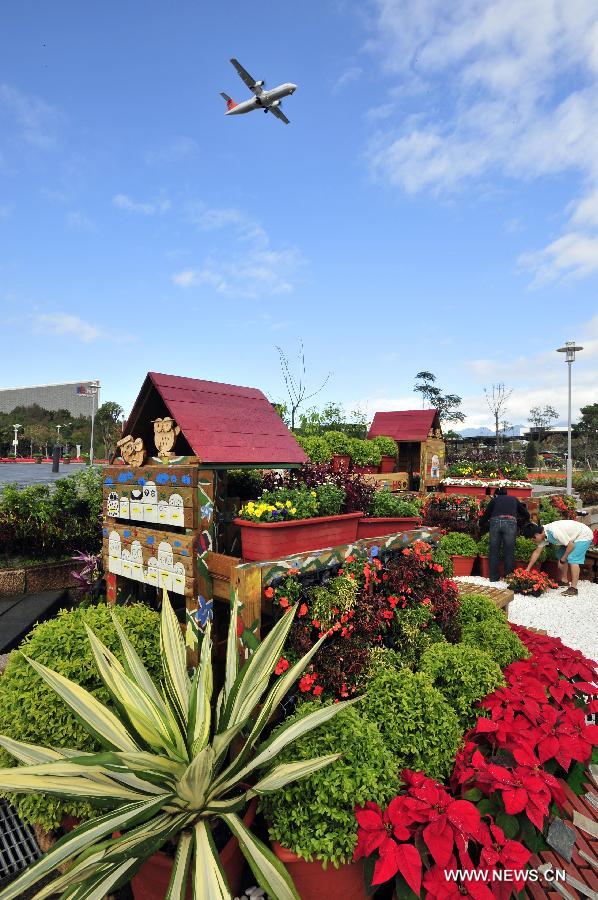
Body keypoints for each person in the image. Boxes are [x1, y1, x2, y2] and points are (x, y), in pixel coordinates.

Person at [524, 519, 593, 596]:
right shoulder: (543, 535)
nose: (533, 541)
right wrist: (528, 569)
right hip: (572, 538)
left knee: (573, 558)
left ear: (537, 534)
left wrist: (563, 560)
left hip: (583, 535)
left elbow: (571, 546)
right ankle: (564, 581)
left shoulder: (554, 531)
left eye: (533, 539)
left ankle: (574, 588)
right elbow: (537, 552)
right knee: (559, 554)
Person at [479, 487, 530, 582]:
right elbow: (525, 513)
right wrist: (522, 518)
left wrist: (481, 524)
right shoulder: (514, 499)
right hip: (510, 523)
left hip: (495, 523)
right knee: (509, 551)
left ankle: (494, 577)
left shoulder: (495, 500)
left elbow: (486, 515)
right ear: (507, 493)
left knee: (494, 550)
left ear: (497, 494)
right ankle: (509, 577)